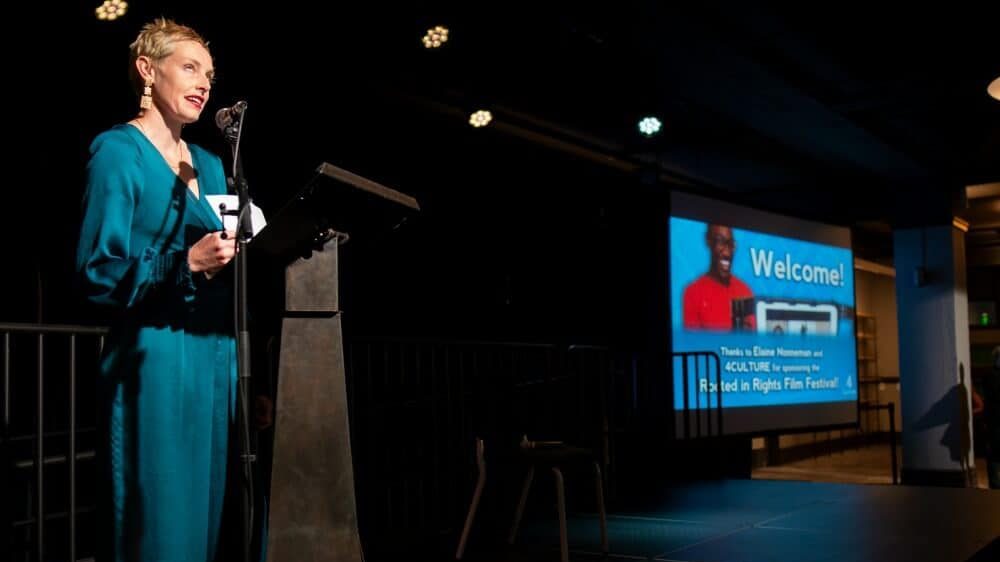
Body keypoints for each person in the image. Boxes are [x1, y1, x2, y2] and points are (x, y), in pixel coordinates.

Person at [76, 18, 238, 562]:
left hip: (214, 352)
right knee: (159, 524)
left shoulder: (214, 164)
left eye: (210, 74)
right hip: (154, 356)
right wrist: (181, 263)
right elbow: (98, 270)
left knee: (206, 519)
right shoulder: (118, 151)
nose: (203, 84)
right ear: (148, 70)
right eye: (189, 67)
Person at [682, 224, 755, 331]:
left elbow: (752, 342)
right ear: (709, 241)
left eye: (731, 244)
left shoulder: (745, 291)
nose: (727, 252)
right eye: (720, 242)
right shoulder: (693, 293)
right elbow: (693, 344)